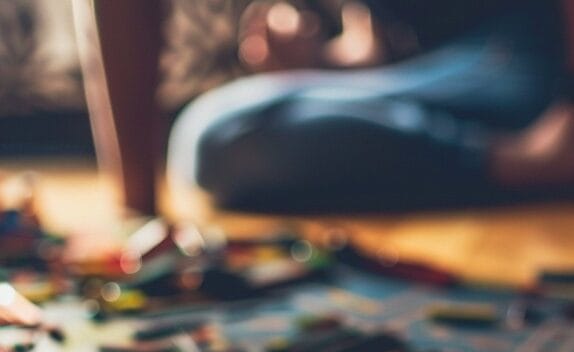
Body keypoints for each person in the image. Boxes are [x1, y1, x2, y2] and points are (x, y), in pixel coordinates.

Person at [76, 0, 574, 214]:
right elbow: (380, 43)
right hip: (421, 74)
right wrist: (322, 62)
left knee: (227, 143)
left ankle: (519, 164)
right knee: (212, 136)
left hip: (514, 60)